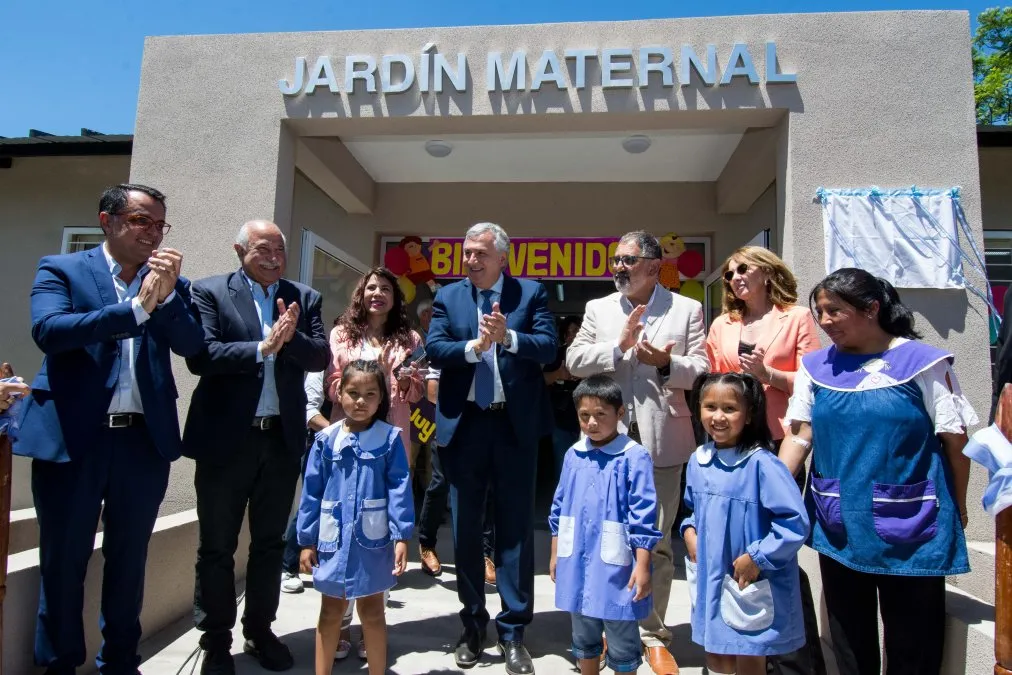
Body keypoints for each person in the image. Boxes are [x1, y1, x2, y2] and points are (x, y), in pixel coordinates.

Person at [14, 183, 205, 675]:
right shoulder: (62, 269)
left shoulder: (170, 283)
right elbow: (49, 331)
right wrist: (135, 310)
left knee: (129, 558)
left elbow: (192, 346)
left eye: (160, 224)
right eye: (142, 220)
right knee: (64, 560)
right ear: (107, 220)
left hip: (142, 440)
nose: (153, 233)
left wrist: (167, 298)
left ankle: (120, 662)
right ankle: (60, 663)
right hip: (73, 438)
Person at [780, 268, 976, 675]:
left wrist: (958, 507)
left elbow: (956, 445)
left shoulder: (923, 364)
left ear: (871, 308)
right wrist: (776, 495)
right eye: (820, 312)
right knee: (848, 639)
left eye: (834, 310)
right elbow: (799, 435)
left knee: (913, 643)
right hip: (840, 524)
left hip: (912, 526)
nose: (825, 321)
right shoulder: (815, 367)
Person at [183, 220, 330, 675]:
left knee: (269, 543)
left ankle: (260, 629)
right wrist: (262, 347)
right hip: (227, 440)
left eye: (279, 249)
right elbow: (201, 356)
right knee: (217, 546)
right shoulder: (209, 292)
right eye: (263, 249)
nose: (273, 257)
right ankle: (215, 639)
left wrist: (290, 339)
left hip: (280, 440)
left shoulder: (304, 297)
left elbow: (320, 356)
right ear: (239, 250)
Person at [567, 230, 708, 675]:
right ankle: (609, 625)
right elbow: (574, 361)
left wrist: (665, 364)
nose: (618, 268)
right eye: (615, 260)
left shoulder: (686, 308)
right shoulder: (598, 308)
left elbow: (702, 370)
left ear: (652, 265)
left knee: (656, 542)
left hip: (661, 440)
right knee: (603, 538)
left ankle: (652, 634)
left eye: (627, 261)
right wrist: (618, 348)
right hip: (602, 447)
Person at [426, 222, 557, 674]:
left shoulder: (530, 293)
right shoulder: (448, 297)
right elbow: (435, 348)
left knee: (515, 528)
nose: (471, 260)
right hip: (465, 427)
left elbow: (549, 349)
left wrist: (508, 338)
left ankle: (513, 631)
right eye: (467, 252)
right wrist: (473, 347)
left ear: (503, 257)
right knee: (464, 529)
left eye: (480, 253)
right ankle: (472, 625)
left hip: (513, 427)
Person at [704, 246, 825, 674]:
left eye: (743, 268)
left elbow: (813, 382)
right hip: (732, 448)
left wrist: (768, 375)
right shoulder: (722, 324)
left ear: (768, 273)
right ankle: (741, 650)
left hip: (779, 446)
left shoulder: (796, 318)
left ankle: (793, 662)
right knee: (736, 551)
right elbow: (714, 383)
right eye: (729, 272)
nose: (735, 276)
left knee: (776, 552)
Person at [681, 373, 809, 675]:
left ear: (749, 414)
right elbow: (693, 509)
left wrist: (757, 558)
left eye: (729, 408)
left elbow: (794, 522)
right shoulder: (699, 460)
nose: (718, 417)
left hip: (747, 577)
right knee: (718, 656)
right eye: (710, 407)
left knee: (749, 651)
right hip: (711, 575)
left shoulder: (762, 464)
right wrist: (689, 531)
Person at [298, 359, 414, 675]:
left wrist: (401, 535)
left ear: (381, 398)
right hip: (332, 542)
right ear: (339, 393)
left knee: (373, 612)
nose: (361, 401)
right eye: (353, 393)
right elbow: (311, 492)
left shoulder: (390, 439)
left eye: (370, 394)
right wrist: (306, 540)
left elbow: (399, 488)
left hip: (372, 543)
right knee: (330, 613)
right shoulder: (326, 440)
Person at [549, 375, 662, 675]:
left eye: (601, 414)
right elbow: (559, 508)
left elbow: (643, 516)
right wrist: (555, 552)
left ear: (620, 413)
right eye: (584, 415)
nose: (592, 423)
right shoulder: (574, 454)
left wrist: (642, 565)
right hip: (576, 563)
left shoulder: (634, 456)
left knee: (621, 637)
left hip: (617, 571)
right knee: (583, 637)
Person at [327, 267, 424, 466]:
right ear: (361, 295)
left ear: (395, 298)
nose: (377, 293)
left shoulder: (411, 339)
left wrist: (404, 382)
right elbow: (331, 384)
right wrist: (367, 381)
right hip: (349, 429)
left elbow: (417, 393)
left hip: (393, 429)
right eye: (371, 288)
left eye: (385, 289)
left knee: (388, 483)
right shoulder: (341, 334)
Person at [543, 317, 583, 479]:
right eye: (569, 333)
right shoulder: (557, 354)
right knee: (563, 465)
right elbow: (542, 379)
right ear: (564, 337)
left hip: (590, 419)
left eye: (577, 331)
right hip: (561, 419)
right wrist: (559, 374)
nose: (573, 336)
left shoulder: (593, 354)